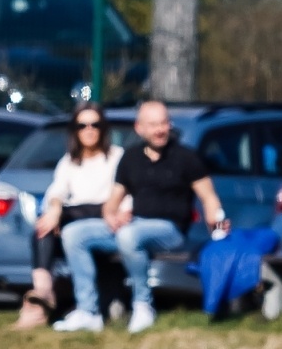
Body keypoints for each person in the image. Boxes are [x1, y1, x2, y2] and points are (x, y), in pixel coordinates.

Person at [56, 101, 228, 334]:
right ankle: (88, 312)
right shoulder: (130, 158)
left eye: (164, 123)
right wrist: (110, 217)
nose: (159, 129)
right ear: (140, 128)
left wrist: (215, 219)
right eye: (153, 124)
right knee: (73, 234)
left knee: (129, 236)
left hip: (170, 230)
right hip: (135, 226)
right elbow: (113, 202)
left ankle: (143, 305)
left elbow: (208, 196)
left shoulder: (186, 157)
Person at [15, 102, 125, 329]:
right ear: (74, 130)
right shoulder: (68, 162)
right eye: (82, 125)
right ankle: (42, 294)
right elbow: (56, 191)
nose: (89, 129)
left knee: (67, 223)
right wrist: (54, 210)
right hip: (73, 220)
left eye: (95, 124)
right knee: (43, 227)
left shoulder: (117, 157)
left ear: (103, 128)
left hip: (105, 222)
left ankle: (75, 307)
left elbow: (123, 197)